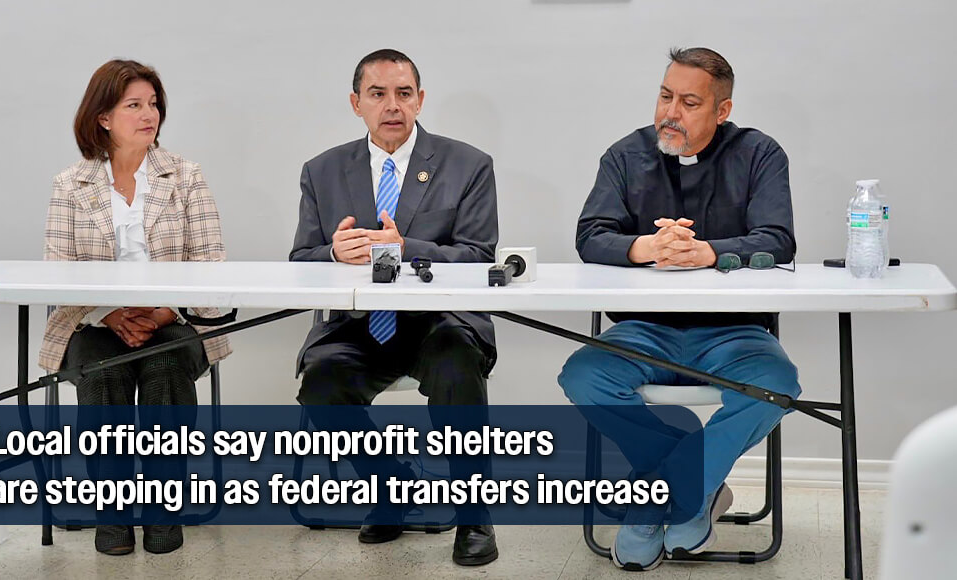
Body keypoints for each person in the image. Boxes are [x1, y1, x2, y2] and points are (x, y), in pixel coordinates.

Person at [558, 47, 801, 571]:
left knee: (778, 387)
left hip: (732, 334)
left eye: (689, 102)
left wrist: (707, 252)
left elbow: (778, 239)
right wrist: (648, 248)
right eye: (665, 96)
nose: (671, 112)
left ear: (722, 111)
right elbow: (590, 236)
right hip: (645, 330)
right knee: (583, 376)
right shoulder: (625, 155)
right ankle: (694, 483)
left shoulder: (760, 154)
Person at [289, 49, 500, 566]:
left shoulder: (468, 164)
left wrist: (409, 249)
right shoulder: (322, 171)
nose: (392, 106)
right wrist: (334, 252)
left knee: (456, 362)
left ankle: (474, 514)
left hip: (439, 323)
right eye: (378, 94)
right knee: (320, 380)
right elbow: (301, 258)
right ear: (356, 103)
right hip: (359, 325)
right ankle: (393, 486)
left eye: (404, 94)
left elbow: (479, 256)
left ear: (420, 100)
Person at [39, 59, 230, 556]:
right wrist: (111, 314)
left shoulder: (185, 175)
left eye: (154, 105)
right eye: (134, 106)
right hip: (94, 323)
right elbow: (57, 272)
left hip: (175, 319)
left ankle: (164, 508)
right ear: (103, 117)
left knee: (165, 364)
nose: (150, 115)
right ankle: (113, 511)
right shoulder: (70, 184)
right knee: (104, 372)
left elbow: (210, 262)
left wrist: (161, 312)